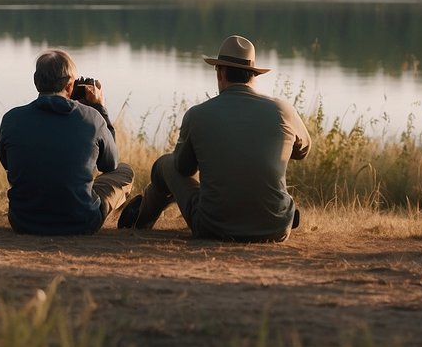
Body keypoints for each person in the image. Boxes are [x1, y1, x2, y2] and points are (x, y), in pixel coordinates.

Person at [118, 35, 310, 242]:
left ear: (220, 73)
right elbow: (303, 151)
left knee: (165, 164)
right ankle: (272, 210)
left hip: (213, 228)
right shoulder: (283, 110)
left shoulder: (198, 114)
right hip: (277, 228)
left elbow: (183, 168)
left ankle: (139, 221)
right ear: (254, 75)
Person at [0, 49, 134, 235]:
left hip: (23, 221)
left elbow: (7, 163)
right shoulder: (92, 118)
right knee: (125, 171)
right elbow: (110, 164)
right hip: (82, 221)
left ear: (36, 80)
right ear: (70, 86)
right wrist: (99, 108)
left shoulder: (11, 119)